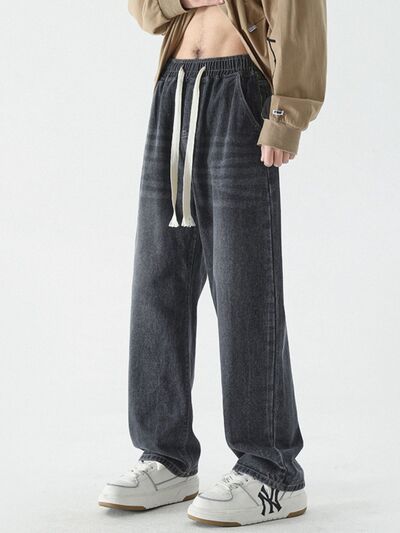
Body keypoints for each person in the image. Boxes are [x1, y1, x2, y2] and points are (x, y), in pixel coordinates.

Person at [98, 0, 327, 526]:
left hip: (240, 93)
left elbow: (300, 17)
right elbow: (144, 10)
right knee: (158, 280)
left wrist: (285, 114)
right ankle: (167, 457)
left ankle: (272, 469)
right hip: (174, 89)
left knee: (245, 285)